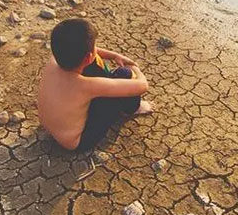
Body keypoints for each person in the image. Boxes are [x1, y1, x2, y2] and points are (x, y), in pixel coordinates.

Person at [38, 18, 153, 152]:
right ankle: (133, 108)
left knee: (91, 64)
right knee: (124, 74)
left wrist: (114, 56)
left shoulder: (54, 61)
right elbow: (142, 85)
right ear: (88, 56)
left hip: (51, 128)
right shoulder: (87, 86)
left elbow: (90, 52)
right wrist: (134, 68)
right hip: (78, 142)